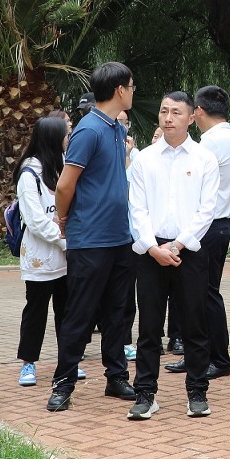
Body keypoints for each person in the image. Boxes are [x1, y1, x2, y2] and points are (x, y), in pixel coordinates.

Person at [126, 91, 221, 420]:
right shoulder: (144, 158)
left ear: (191, 118)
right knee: (149, 327)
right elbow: (137, 208)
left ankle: (197, 392)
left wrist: (177, 245)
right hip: (150, 252)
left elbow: (207, 210)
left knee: (194, 325)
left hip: (188, 252)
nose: (168, 117)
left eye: (176, 112)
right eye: (164, 111)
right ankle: (145, 393)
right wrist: (153, 247)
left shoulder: (204, 158)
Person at [50, 62, 140, 410]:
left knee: (118, 312)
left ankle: (116, 376)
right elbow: (65, 185)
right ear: (120, 90)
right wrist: (62, 219)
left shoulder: (116, 128)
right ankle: (63, 383)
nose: (133, 92)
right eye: (131, 86)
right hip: (90, 238)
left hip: (120, 237)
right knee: (81, 313)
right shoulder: (89, 130)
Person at [185, 86, 230, 376]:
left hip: (209, 225)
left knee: (206, 295)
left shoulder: (210, 143)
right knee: (201, 294)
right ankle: (199, 355)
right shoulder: (225, 137)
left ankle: (217, 359)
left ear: (198, 112)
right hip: (216, 224)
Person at [13, 112, 71, 387]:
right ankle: (28, 363)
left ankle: (68, 362)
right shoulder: (29, 173)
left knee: (66, 311)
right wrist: (63, 241)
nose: (68, 139)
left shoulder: (63, 165)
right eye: (65, 135)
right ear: (52, 138)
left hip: (65, 256)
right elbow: (35, 220)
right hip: (40, 255)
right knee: (36, 310)